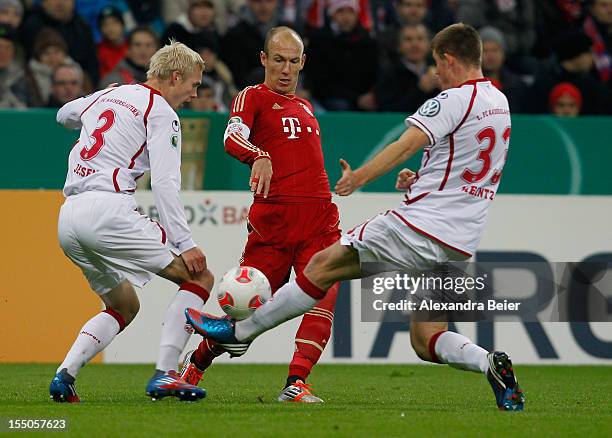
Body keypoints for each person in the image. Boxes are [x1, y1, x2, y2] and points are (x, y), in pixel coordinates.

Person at [186, 23, 526, 412]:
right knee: (426, 338)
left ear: (450, 59)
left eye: (436, 65)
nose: (435, 74)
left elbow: (405, 144)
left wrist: (358, 178)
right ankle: (489, 363)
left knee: (322, 266)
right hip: (459, 239)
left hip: (419, 225)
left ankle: (239, 332)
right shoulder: (499, 104)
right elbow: (472, 169)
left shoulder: (453, 100)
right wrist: (421, 178)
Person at [180, 26, 341, 404]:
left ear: (303, 63)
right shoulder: (251, 97)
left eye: (293, 61)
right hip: (274, 226)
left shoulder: (305, 106)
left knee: (325, 295)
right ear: (264, 60)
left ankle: (297, 382)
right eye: (279, 60)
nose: (286, 69)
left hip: (320, 222)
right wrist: (259, 154)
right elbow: (230, 137)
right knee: (245, 310)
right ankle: (195, 365)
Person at [50, 41, 210, 403]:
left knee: (124, 306)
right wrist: (186, 244)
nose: (194, 94)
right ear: (174, 77)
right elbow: (166, 183)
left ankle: (65, 376)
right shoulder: (161, 112)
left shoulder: (111, 95)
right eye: (194, 85)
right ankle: (166, 374)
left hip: (69, 217)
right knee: (199, 276)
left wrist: (101, 97)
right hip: (108, 209)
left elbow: (62, 115)